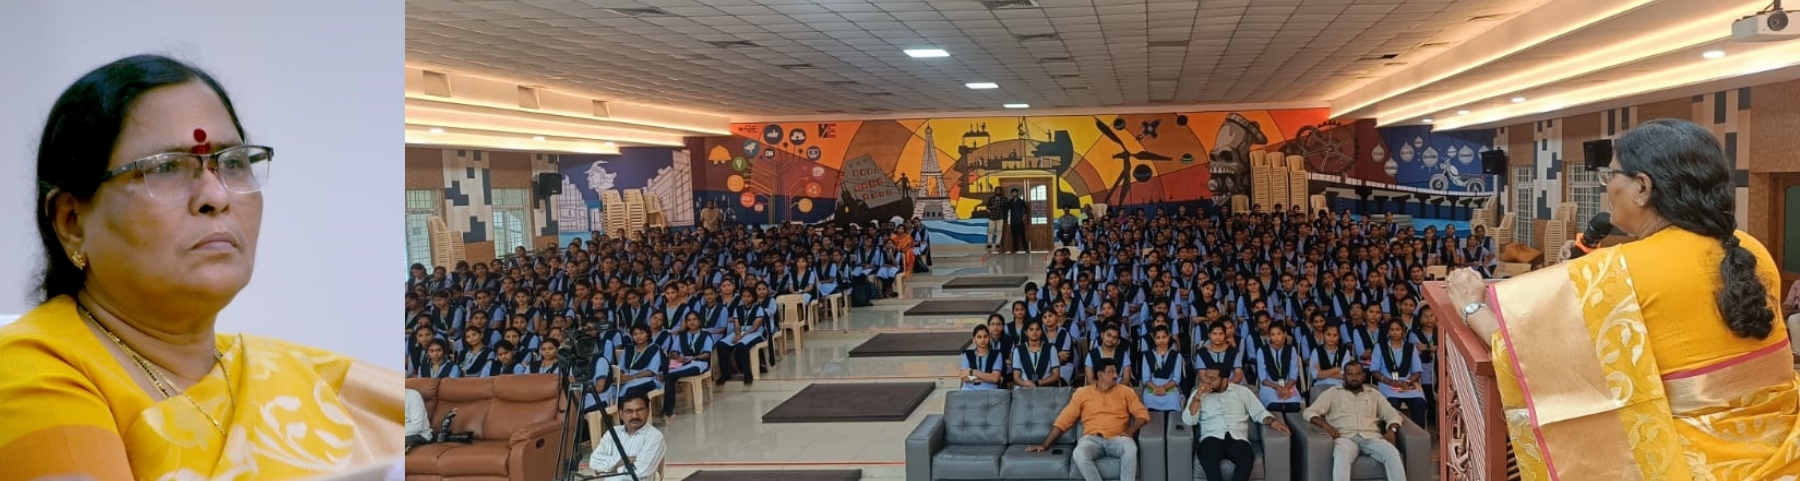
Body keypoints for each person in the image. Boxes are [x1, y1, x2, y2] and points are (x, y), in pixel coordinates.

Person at [0, 54, 401, 480]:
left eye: (232, 163)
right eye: (167, 168)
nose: (216, 195)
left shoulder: (294, 374)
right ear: (72, 221)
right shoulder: (31, 373)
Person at [1446, 119, 1800, 479]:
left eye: (1610, 175)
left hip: (1688, 465)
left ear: (1642, 187)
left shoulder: (1617, 273)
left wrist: (1470, 306)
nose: (1606, 187)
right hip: (1782, 454)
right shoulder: (1749, 248)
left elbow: (1525, 356)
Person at [1025, 359, 1150, 481]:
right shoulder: (1082, 393)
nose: (1116, 376)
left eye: (1116, 372)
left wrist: (1130, 431)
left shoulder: (1126, 392)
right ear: (1100, 374)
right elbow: (1065, 419)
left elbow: (1142, 414)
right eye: (1111, 372)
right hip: (1092, 440)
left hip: (1118, 439)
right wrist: (1045, 445)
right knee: (1079, 452)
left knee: (1130, 448)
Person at [1302, 362, 1408, 481]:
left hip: (1371, 437)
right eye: (1350, 374)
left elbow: (1392, 414)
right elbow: (1309, 412)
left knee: (1391, 452)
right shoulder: (1332, 393)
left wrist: (1392, 430)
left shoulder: (1374, 394)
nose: (1354, 377)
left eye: (1358, 374)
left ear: (1363, 375)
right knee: (1342, 454)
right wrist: (1325, 426)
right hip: (1344, 437)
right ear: (1344, 376)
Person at [1182, 367, 1289, 481]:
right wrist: (1198, 397)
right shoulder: (1198, 393)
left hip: (1238, 438)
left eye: (1212, 378)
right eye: (1206, 377)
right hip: (1211, 437)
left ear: (1225, 379)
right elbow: (1189, 420)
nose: (1207, 381)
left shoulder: (1242, 392)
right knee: (1208, 459)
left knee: (1246, 460)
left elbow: (1259, 412)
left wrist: (1272, 421)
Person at [587, 393, 666, 481]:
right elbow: (594, 462)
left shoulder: (654, 436)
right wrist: (623, 461)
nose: (635, 416)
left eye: (640, 410)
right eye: (629, 411)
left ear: (648, 411)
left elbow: (641, 471)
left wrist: (607, 469)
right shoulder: (612, 433)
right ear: (621, 414)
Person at [961, 325, 1005, 390]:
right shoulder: (967, 354)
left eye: (985, 337)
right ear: (974, 340)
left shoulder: (996, 354)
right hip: (968, 391)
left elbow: (995, 378)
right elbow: (963, 377)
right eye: (979, 337)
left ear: (989, 338)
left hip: (989, 391)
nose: (982, 340)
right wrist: (988, 378)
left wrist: (973, 372)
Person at [1006, 187, 1030, 253]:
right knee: (1014, 236)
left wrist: (1024, 216)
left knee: (1022, 236)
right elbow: (1007, 209)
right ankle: (1014, 249)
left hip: (1020, 221)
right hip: (1013, 221)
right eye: (1013, 193)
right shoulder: (1010, 201)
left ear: (1017, 193)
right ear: (1011, 194)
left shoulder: (1021, 201)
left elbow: (1026, 209)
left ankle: (1026, 249)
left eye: (1015, 193)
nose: (1014, 194)